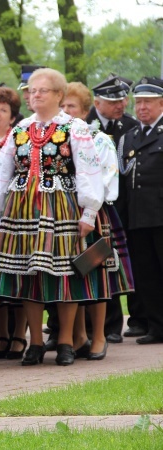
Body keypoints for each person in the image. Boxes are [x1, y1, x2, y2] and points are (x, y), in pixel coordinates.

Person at [0, 68, 106, 366]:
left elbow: (89, 170)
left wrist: (89, 211)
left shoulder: (75, 128)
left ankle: (66, 340)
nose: (34, 95)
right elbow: (3, 173)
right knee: (29, 274)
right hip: (23, 207)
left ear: (58, 95)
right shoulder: (20, 129)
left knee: (65, 274)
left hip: (61, 206)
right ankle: (35, 343)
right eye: (31, 90)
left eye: (41, 90)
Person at [62, 81, 130, 359]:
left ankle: (100, 335)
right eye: (62, 105)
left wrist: (88, 209)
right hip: (64, 212)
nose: (66, 111)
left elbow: (104, 181)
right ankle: (78, 334)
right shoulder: (58, 137)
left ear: (85, 110)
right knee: (71, 273)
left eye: (71, 106)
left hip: (95, 212)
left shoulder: (99, 139)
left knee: (95, 272)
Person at [86, 74, 140, 343]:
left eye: (123, 99)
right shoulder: (83, 126)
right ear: (97, 102)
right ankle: (99, 326)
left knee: (114, 265)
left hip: (122, 207)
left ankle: (115, 326)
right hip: (94, 208)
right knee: (95, 263)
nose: (121, 104)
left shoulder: (131, 125)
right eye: (113, 100)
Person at [117, 77, 163, 345]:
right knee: (146, 275)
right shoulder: (130, 137)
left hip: (160, 216)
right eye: (139, 102)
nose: (142, 107)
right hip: (138, 217)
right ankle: (157, 326)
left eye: (148, 102)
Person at [0, 86, 29, 360]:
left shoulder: (17, 139)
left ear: (12, 117)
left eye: (3, 110)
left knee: (16, 273)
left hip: (12, 211)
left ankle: (19, 336)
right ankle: (2, 335)